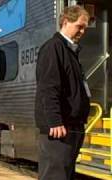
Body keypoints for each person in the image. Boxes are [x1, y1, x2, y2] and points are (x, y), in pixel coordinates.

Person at [35, 5, 91, 180]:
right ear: (66, 22)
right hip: (59, 129)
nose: (82, 31)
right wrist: (54, 121)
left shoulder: (70, 51)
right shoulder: (53, 48)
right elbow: (49, 87)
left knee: (65, 174)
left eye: (85, 28)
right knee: (55, 175)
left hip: (72, 126)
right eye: (79, 26)